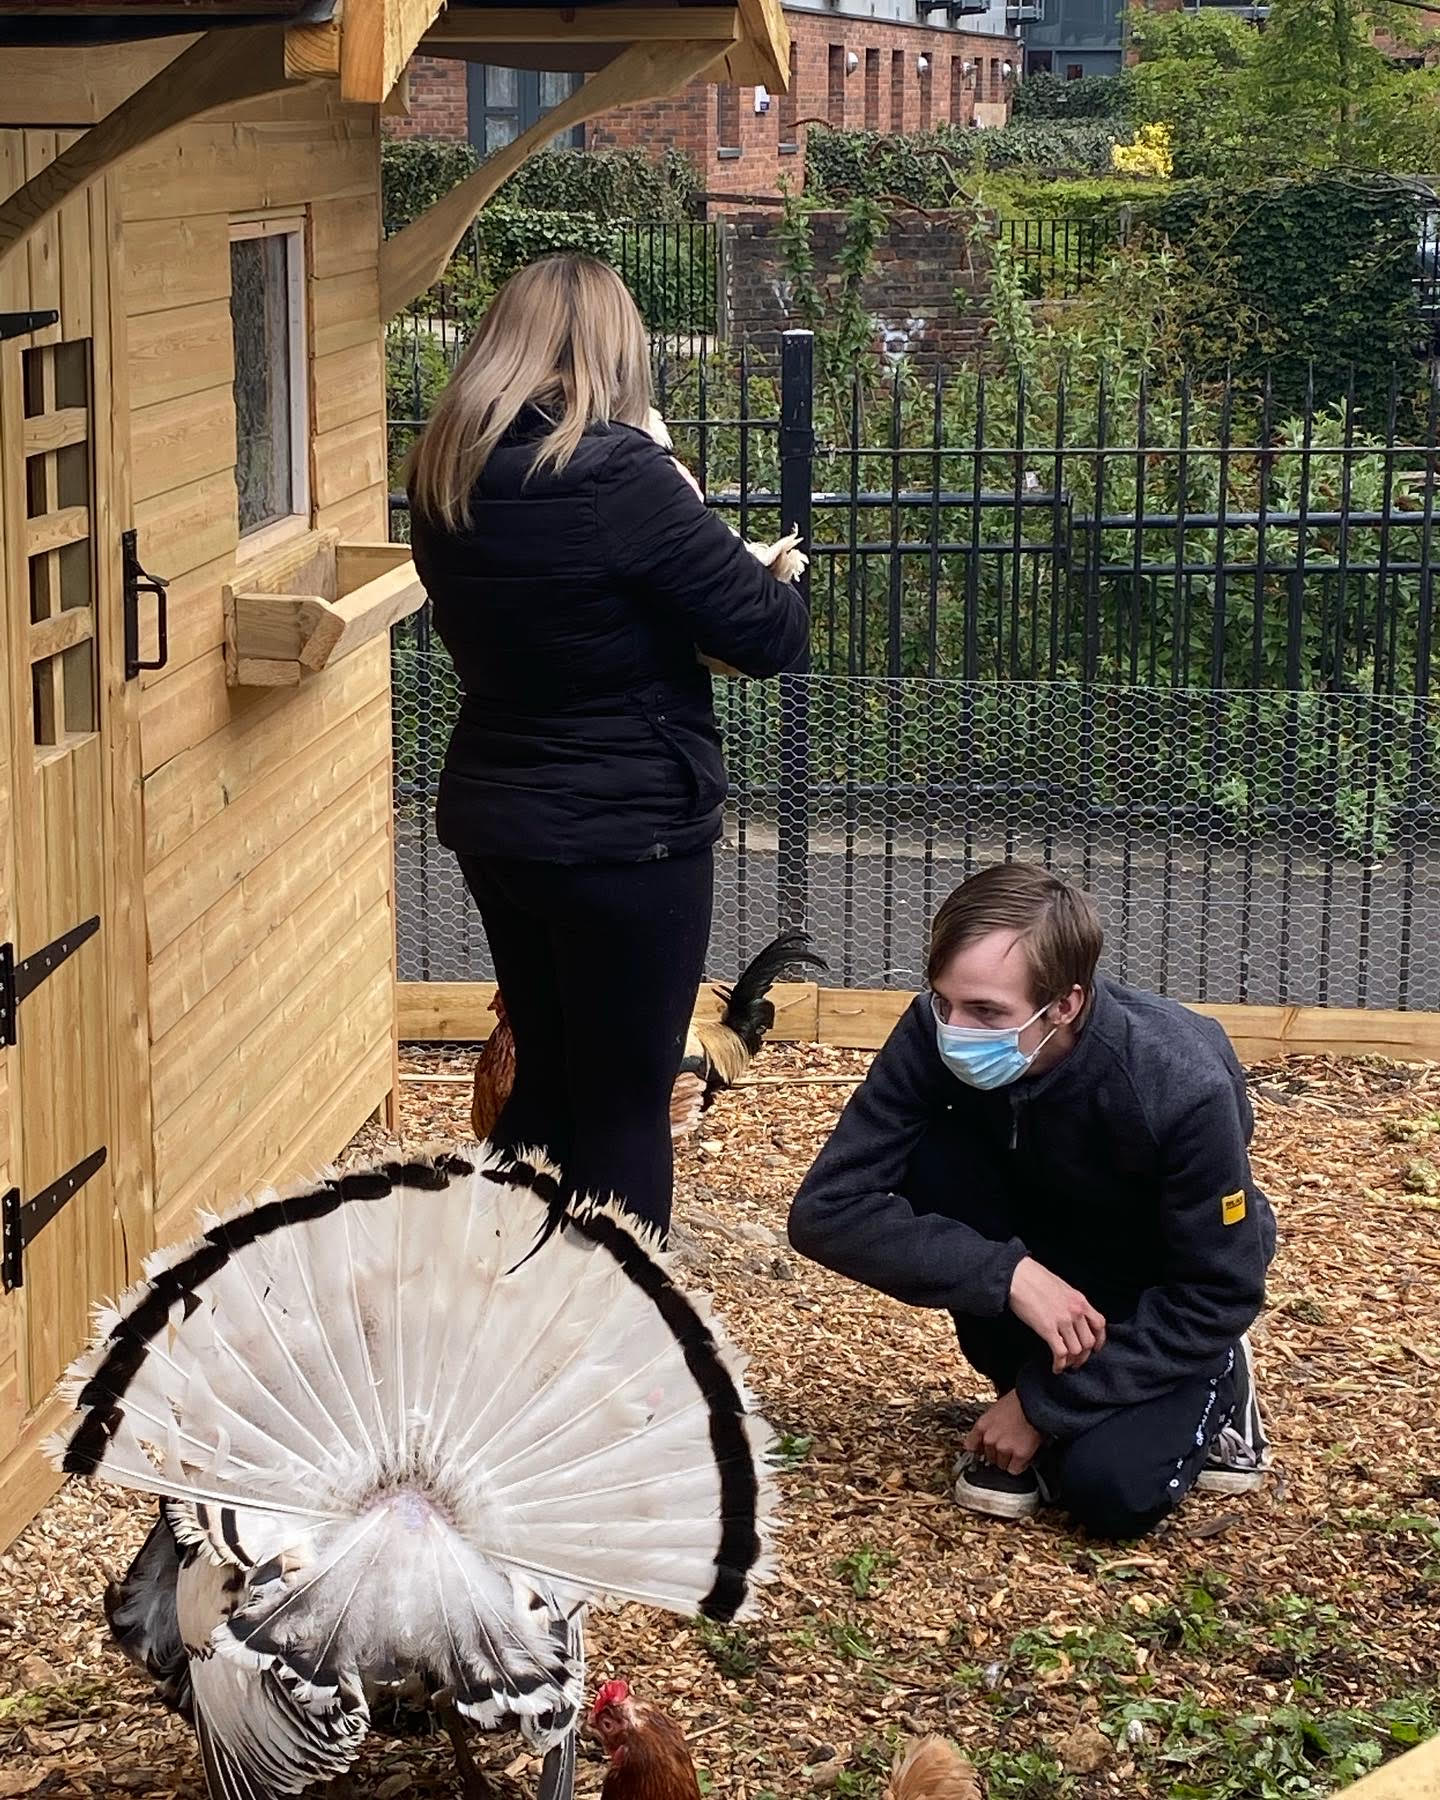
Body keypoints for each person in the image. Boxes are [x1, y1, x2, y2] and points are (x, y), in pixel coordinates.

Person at [406, 255, 808, 1239]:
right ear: (612, 348)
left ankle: (504, 1311)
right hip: (626, 830)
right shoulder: (620, 474)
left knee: (544, 1077)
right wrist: (776, 574)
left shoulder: (444, 471)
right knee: (628, 1102)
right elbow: (768, 634)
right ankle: (621, 1347)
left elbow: (563, 611)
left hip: (500, 816)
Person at [787, 863, 1276, 1541]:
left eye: (987, 1011)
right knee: (938, 1154)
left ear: (1066, 1004)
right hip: (1031, 1265)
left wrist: (1043, 1407)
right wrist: (1006, 1274)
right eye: (943, 1000)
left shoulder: (1179, 1083)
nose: (956, 1028)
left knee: (1110, 1492)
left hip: (1153, 1288)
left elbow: (1219, 1288)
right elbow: (826, 1209)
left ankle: (1222, 1376)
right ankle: (1036, 1373)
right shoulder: (937, 1028)